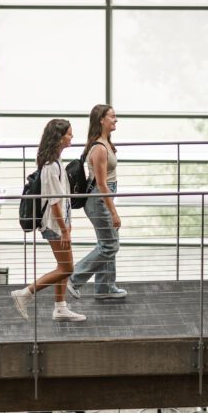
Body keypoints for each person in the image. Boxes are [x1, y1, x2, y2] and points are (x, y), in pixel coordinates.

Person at [11, 119, 86, 322]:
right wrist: (65, 230)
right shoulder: (51, 166)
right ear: (59, 138)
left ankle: (60, 308)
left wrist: (67, 224)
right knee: (67, 268)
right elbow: (54, 203)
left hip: (59, 223)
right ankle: (24, 294)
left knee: (63, 265)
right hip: (54, 225)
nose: (72, 137)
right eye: (69, 134)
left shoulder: (55, 163)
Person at [67, 104, 127, 300]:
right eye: (112, 116)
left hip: (104, 197)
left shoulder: (105, 142)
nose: (116, 119)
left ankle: (105, 287)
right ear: (101, 119)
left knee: (107, 241)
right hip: (99, 199)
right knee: (110, 245)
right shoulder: (99, 148)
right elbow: (101, 184)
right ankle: (74, 278)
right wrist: (114, 213)